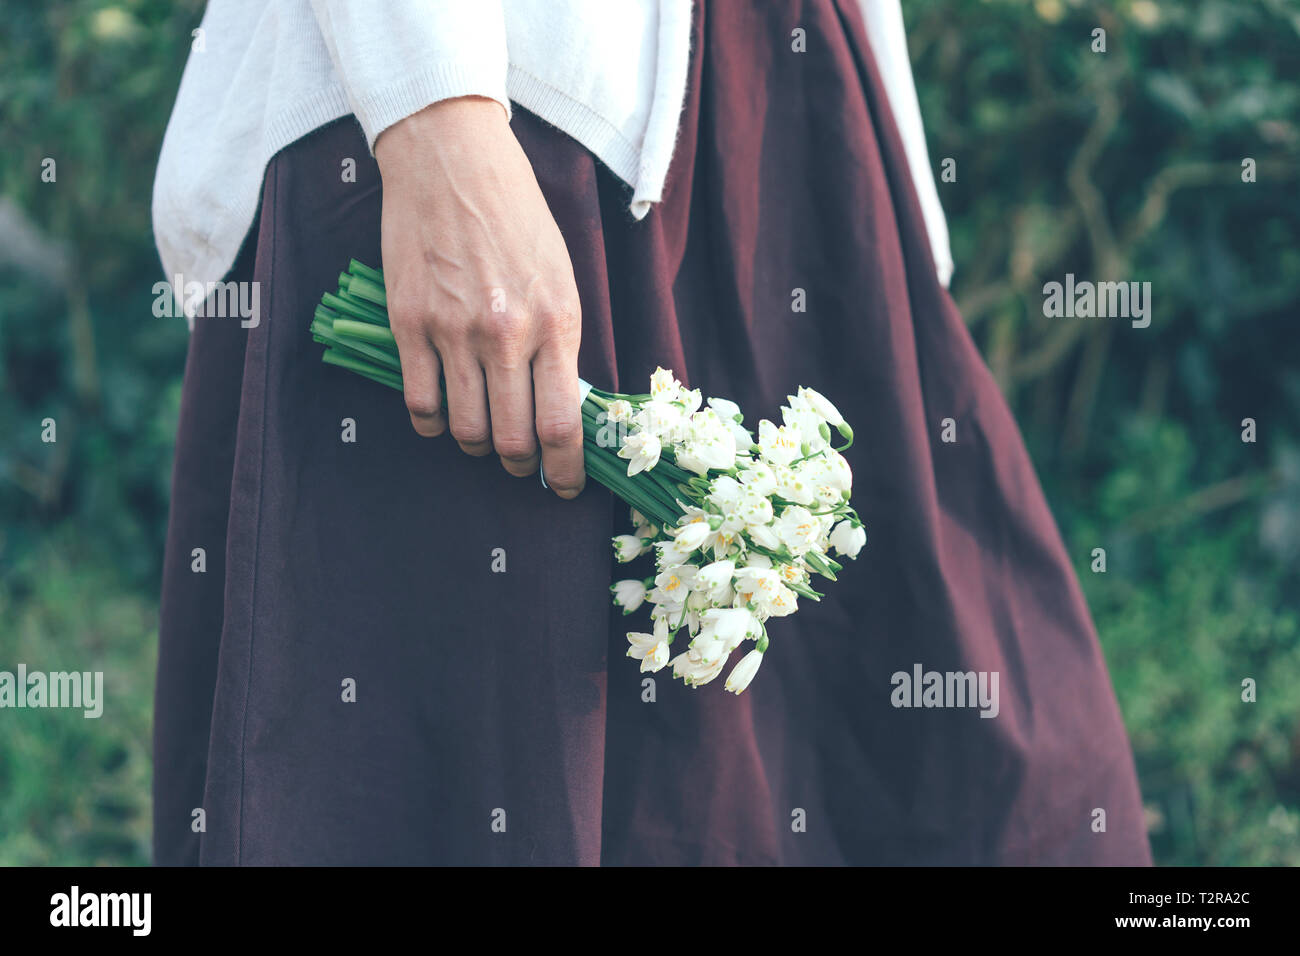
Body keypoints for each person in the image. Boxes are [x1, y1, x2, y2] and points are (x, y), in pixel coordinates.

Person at [152, 0, 1152, 865]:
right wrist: (435, 114)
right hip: (520, 110)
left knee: (987, 781)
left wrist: (887, 208)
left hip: (788, 110)